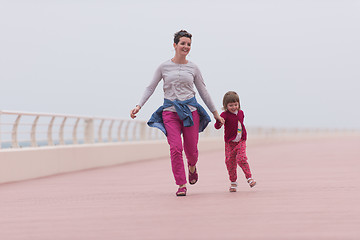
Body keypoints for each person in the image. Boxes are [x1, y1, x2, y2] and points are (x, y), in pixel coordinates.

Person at [130, 30, 224, 197]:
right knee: (175, 148)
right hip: (170, 112)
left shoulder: (193, 68)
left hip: (191, 112)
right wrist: (139, 106)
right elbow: (150, 87)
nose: (185, 47)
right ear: (174, 45)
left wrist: (215, 113)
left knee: (192, 150)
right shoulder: (163, 67)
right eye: (182, 43)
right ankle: (181, 184)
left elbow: (203, 91)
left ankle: (192, 167)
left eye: (188, 44)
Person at [214, 91, 256, 192]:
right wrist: (219, 121)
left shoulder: (241, 113)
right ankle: (233, 182)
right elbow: (217, 127)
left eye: (236, 104)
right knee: (230, 162)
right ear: (226, 106)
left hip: (241, 141)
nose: (234, 107)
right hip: (229, 143)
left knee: (241, 158)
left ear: (239, 104)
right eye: (231, 105)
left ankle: (249, 178)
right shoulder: (224, 115)